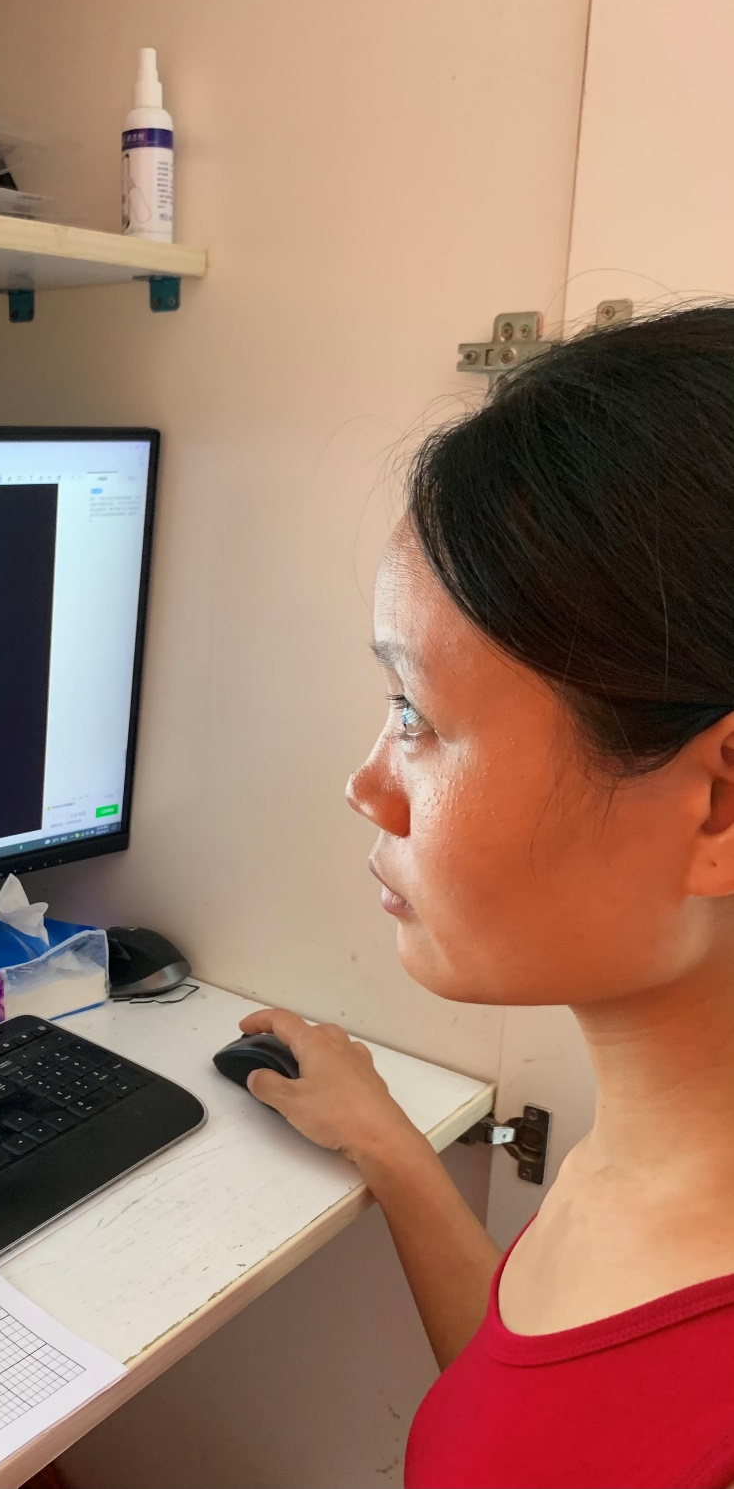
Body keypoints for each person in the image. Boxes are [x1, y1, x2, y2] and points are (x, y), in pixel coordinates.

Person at [240, 306, 734, 1489]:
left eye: (415, 716)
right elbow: (537, 1419)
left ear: (719, 803)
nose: (367, 787)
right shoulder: (658, 1163)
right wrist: (390, 1147)